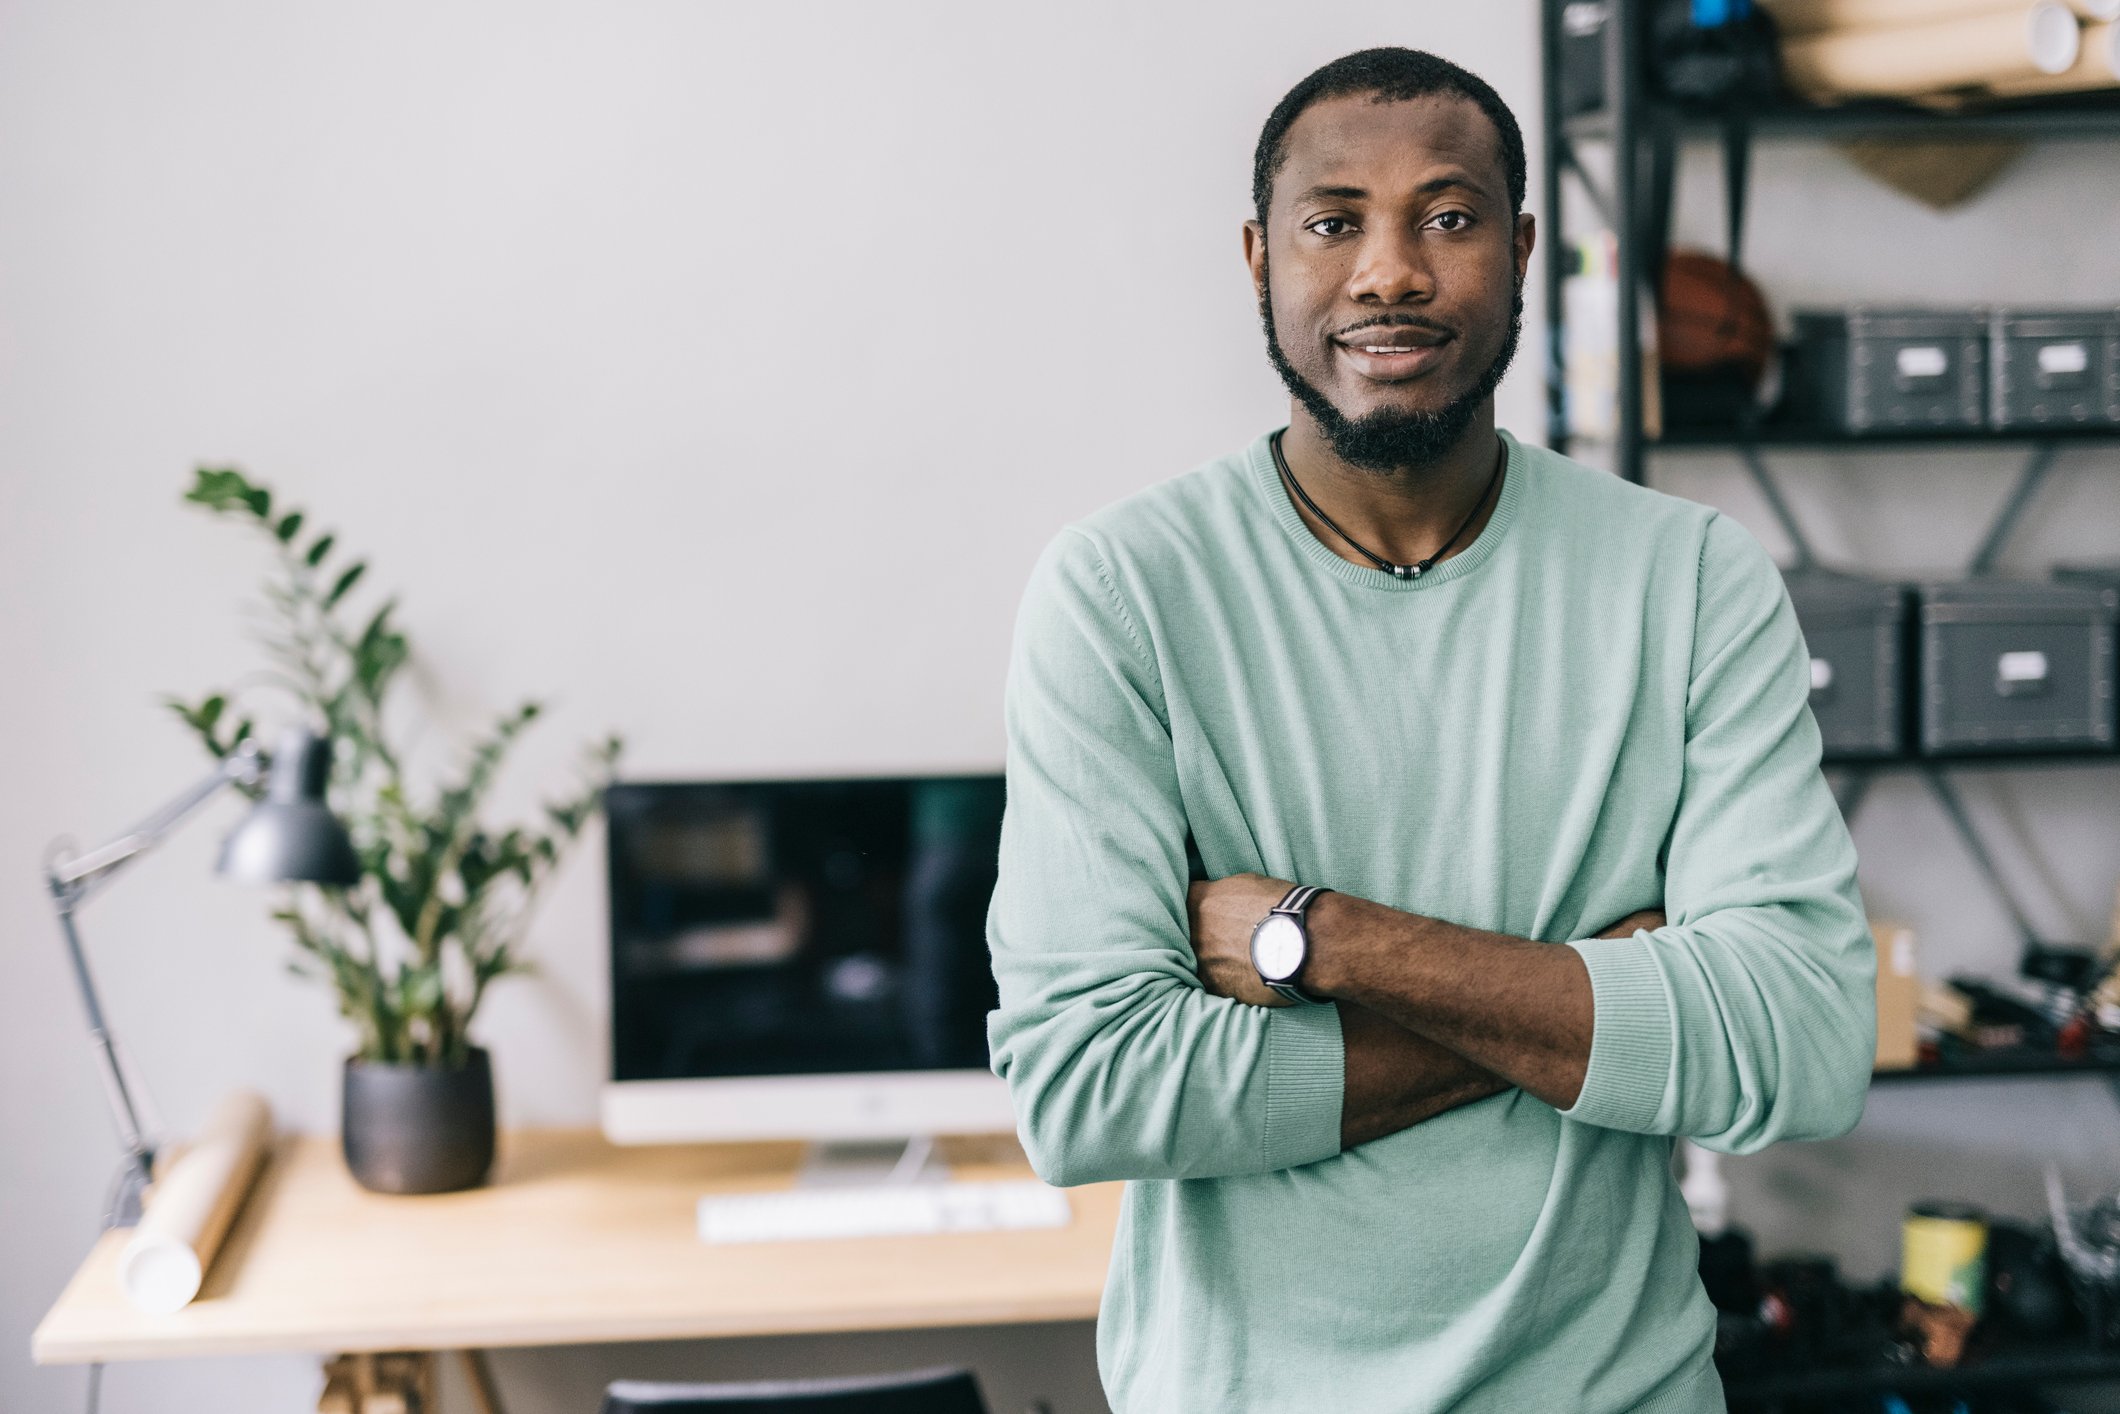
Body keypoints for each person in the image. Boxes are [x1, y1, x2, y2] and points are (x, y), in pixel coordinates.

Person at [983, 45, 1874, 1414]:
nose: (1389, 271)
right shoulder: (1121, 594)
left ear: (1522, 251)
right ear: (1258, 256)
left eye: (1447, 219)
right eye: (1334, 220)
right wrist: (1592, 1002)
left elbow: (1801, 1042)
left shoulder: (1689, 577)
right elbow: (1093, 1087)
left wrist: (1323, 940)